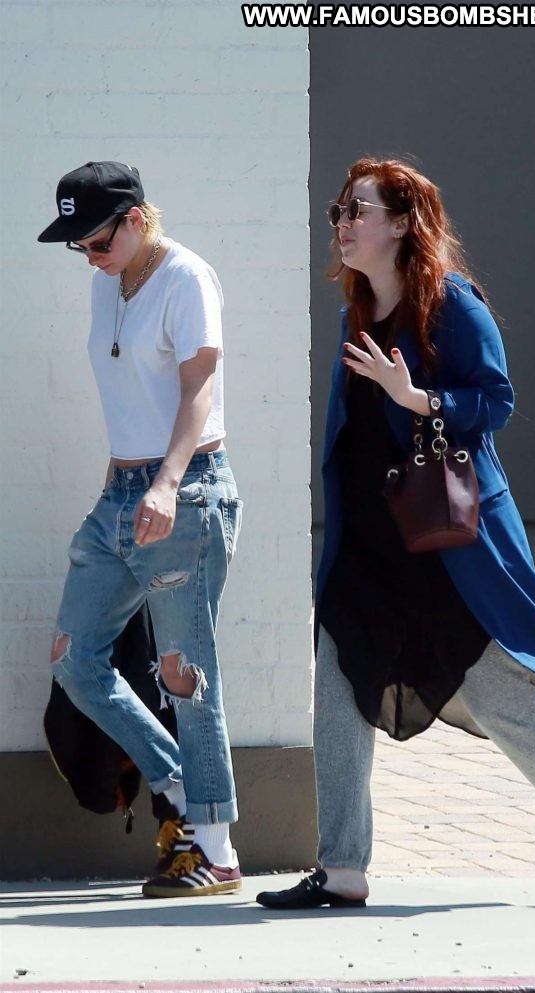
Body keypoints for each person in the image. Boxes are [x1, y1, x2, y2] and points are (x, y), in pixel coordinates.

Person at [256, 157, 535, 911]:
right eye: (340, 211)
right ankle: (342, 868)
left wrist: (419, 398)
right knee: (337, 689)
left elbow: (495, 401)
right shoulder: (356, 311)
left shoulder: (452, 305)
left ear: (403, 223)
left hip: (444, 550)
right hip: (369, 549)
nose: (343, 224)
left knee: (501, 700)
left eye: (358, 210)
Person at [38, 161, 243, 898]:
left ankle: (217, 850)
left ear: (135, 220)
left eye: (98, 241)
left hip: (184, 491)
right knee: (76, 660)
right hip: (121, 494)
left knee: (185, 672)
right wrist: (122, 484)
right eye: (79, 247)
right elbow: (129, 395)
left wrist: (164, 483)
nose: (89, 257)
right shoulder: (107, 282)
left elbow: (199, 387)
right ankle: (182, 786)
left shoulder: (186, 277)